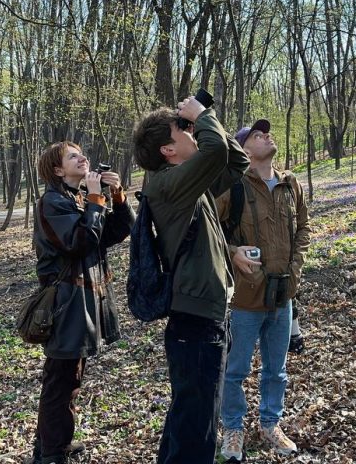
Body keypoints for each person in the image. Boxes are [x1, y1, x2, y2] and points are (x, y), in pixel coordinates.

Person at [132, 95, 249, 464]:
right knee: (197, 426)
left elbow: (236, 162)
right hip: (195, 320)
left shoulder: (186, 184)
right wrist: (203, 116)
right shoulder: (168, 184)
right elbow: (215, 153)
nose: (190, 132)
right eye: (182, 130)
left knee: (190, 417)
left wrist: (202, 122)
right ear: (168, 150)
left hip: (203, 315)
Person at [27, 141, 135, 464]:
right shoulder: (52, 202)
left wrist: (116, 197)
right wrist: (95, 199)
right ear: (58, 170)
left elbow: (115, 232)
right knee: (60, 380)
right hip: (66, 303)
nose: (82, 157)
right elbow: (79, 242)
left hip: (85, 300)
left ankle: (52, 444)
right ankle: (50, 454)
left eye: (81, 153)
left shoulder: (76, 199)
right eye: (72, 156)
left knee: (69, 377)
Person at [216, 119, 311, 462]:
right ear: (244, 149)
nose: (267, 136)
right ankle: (233, 429)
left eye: (267, 133)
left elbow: (303, 228)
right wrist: (233, 253)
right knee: (236, 370)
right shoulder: (233, 186)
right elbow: (210, 232)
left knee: (277, 370)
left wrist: (295, 269)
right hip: (246, 296)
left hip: (284, 294)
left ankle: (270, 423)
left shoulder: (290, 183)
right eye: (257, 135)